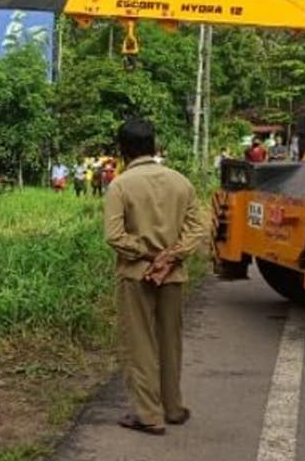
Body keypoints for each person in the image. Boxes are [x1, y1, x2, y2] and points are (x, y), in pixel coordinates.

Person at [103, 118, 208, 435]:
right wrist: (170, 257)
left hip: (136, 275)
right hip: (172, 276)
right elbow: (196, 230)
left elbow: (114, 236)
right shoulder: (181, 182)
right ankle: (173, 407)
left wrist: (147, 254)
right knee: (170, 341)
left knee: (139, 343)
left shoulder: (120, 185)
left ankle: (149, 415)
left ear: (124, 150)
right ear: (152, 144)